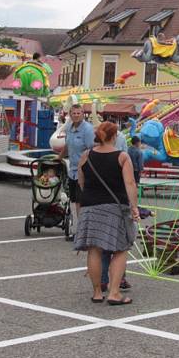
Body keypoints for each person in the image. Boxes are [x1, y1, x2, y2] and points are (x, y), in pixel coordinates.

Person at [74, 121, 140, 305]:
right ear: (115, 136)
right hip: (114, 207)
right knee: (120, 248)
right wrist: (134, 206)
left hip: (89, 206)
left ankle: (97, 293)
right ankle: (114, 293)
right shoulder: (122, 157)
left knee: (94, 249)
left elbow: (81, 181)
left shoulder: (86, 155)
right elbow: (130, 184)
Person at [60, 104, 95, 240]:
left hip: (85, 171)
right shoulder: (69, 127)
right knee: (76, 202)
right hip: (72, 171)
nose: (76, 115)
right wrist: (58, 158)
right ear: (70, 114)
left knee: (83, 202)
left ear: (83, 114)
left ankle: (83, 233)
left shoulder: (87, 130)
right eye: (73, 113)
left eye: (78, 113)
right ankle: (82, 231)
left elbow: (91, 149)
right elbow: (67, 146)